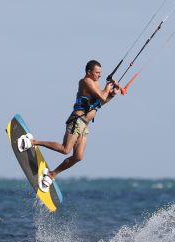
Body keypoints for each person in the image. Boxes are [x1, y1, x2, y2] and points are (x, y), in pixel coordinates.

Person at [18, 60, 122, 192]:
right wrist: (108, 88)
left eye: (100, 73)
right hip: (76, 121)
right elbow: (102, 96)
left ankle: (52, 174)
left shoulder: (95, 84)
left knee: (78, 157)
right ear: (89, 72)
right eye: (97, 72)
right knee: (65, 149)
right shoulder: (86, 82)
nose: (99, 75)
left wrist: (112, 94)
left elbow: (100, 103)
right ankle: (32, 141)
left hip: (84, 126)